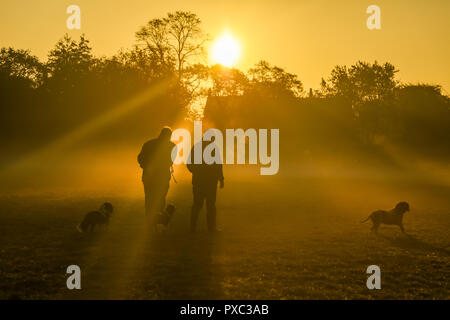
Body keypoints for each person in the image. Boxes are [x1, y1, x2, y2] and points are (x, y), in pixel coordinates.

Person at [138, 127, 176, 218]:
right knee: (161, 197)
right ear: (169, 136)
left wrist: (145, 166)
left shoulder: (148, 144)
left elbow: (140, 158)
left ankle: (149, 218)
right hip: (163, 176)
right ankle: (158, 217)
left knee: (149, 198)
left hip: (148, 176)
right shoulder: (172, 146)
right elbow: (171, 160)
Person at [187, 140, 224, 233]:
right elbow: (218, 166)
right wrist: (221, 179)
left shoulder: (196, 147)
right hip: (211, 182)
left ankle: (192, 227)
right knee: (211, 205)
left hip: (198, 181)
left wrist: (196, 172)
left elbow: (189, 163)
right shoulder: (214, 148)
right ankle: (211, 228)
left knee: (197, 205)